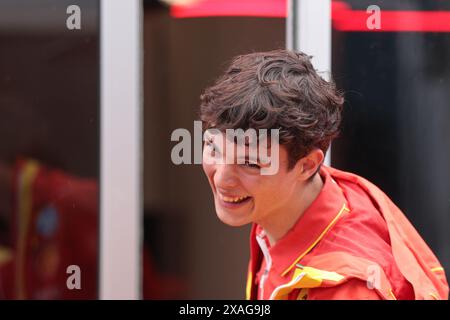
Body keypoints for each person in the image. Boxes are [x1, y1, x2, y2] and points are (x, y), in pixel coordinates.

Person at [199, 49, 449, 300]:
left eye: (250, 163)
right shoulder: (285, 206)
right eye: (213, 148)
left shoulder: (349, 289)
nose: (221, 179)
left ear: (307, 166)